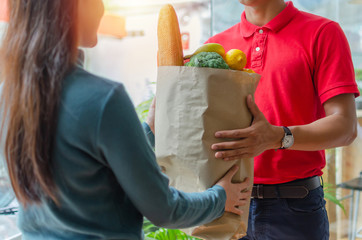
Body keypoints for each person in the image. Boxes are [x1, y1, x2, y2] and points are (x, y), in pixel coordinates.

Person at [0, 1, 251, 239]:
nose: (100, 7)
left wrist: (148, 131)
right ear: (75, 5)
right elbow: (165, 208)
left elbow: (85, 165)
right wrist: (220, 198)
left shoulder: (9, 95)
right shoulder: (104, 99)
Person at [206, 0, 360, 239]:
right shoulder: (214, 47)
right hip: (226, 204)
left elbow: (345, 127)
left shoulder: (323, 32)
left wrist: (278, 137)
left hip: (294, 210)